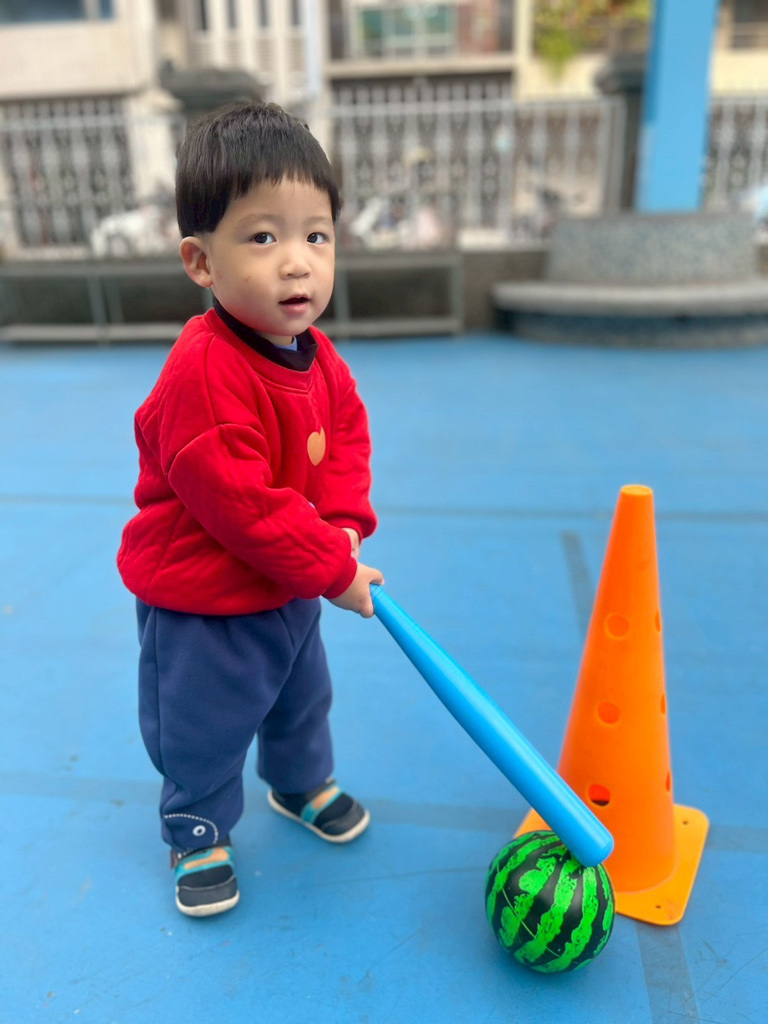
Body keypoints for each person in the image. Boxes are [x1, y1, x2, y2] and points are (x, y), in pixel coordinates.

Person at [117, 102, 383, 918]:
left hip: (289, 581)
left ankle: (298, 782)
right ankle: (196, 828)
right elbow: (242, 505)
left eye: (316, 235)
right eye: (263, 237)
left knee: (302, 695)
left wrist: (343, 525)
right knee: (203, 722)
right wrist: (331, 567)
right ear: (201, 261)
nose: (297, 263)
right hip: (204, 599)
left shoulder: (317, 355)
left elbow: (346, 435)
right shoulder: (203, 372)